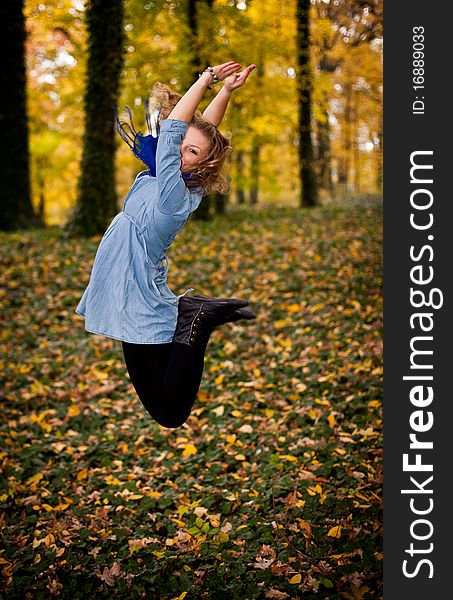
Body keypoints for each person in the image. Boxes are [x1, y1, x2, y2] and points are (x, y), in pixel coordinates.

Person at [75, 61, 257, 429]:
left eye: (190, 153)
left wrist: (206, 78)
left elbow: (177, 129)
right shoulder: (173, 182)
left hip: (136, 296)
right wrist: (224, 93)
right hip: (133, 288)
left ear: (202, 165)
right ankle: (192, 316)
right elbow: (201, 131)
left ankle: (196, 321)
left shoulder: (172, 194)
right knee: (166, 405)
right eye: (180, 147)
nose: (178, 153)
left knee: (170, 412)